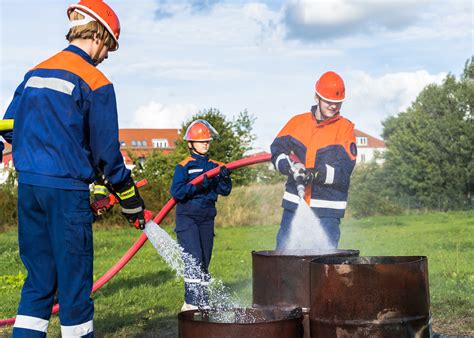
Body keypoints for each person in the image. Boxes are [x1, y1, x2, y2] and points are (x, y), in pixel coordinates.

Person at [0, 1, 146, 336]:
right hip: (65, 193)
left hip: (29, 189)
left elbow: (8, 126)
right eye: (109, 46)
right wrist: (130, 201)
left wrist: (44, 146)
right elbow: (108, 154)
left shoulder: (35, 73)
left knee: (38, 283)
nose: (106, 55)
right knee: (75, 290)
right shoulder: (96, 81)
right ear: (98, 35)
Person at [270, 71, 357, 250]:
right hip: (295, 206)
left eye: (337, 102)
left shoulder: (345, 129)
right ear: (317, 97)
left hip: (327, 211)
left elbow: (343, 171)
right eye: (328, 101)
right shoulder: (297, 123)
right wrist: (291, 167)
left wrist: (315, 174)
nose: (333, 106)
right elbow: (277, 151)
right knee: (284, 259)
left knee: (322, 265)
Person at [170, 119, 232, 311]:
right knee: (194, 259)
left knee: (204, 260)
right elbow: (177, 192)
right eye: (201, 141)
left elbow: (225, 190)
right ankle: (190, 303)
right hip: (187, 217)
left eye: (207, 141)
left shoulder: (216, 165)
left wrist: (224, 178)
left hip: (207, 217)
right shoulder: (184, 166)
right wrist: (198, 185)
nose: (205, 143)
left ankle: (203, 303)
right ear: (190, 144)